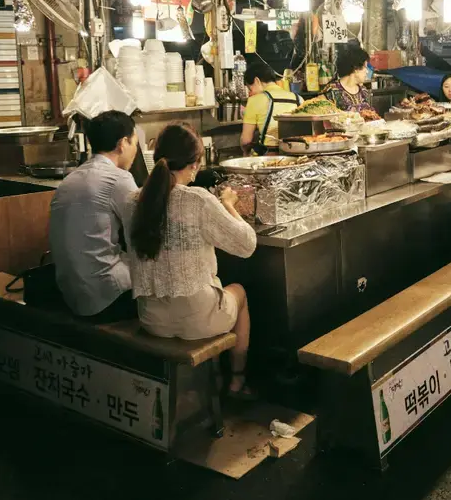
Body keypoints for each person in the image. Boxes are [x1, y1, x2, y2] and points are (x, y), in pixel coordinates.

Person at [124, 123, 256, 397]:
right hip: (197, 320)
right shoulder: (197, 199)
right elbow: (247, 244)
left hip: (152, 319)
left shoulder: (131, 201)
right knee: (239, 293)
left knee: (211, 295)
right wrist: (229, 204)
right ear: (195, 164)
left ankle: (215, 379)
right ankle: (237, 380)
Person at [49, 110, 140, 321]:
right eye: (134, 142)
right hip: (107, 300)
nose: (135, 150)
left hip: (71, 297)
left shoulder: (70, 180)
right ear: (122, 143)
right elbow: (141, 235)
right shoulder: (119, 179)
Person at [241, 63, 302, 155]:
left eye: (250, 89)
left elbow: (246, 141)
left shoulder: (254, 100)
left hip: (269, 158)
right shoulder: (299, 99)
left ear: (257, 80)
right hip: (296, 155)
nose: (250, 93)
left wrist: (245, 153)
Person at [325, 44, 374, 113]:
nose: (367, 71)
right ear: (356, 69)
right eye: (365, 67)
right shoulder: (332, 90)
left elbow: (372, 115)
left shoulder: (363, 90)